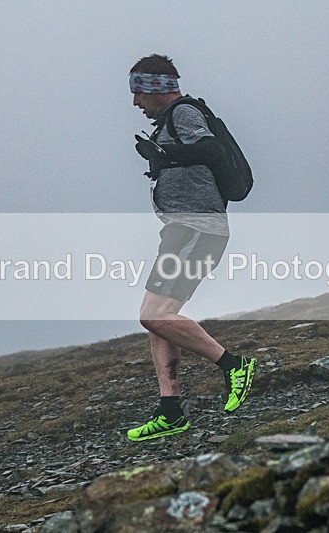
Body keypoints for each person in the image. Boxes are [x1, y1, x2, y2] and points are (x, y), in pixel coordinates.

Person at [127, 54, 256, 441]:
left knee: (153, 316)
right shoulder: (169, 121)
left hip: (197, 228)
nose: (135, 102)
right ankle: (170, 411)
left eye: (138, 92)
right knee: (159, 319)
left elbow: (211, 150)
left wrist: (164, 154)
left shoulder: (183, 112)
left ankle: (233, 365)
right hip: (183, 231)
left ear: (157, 88)